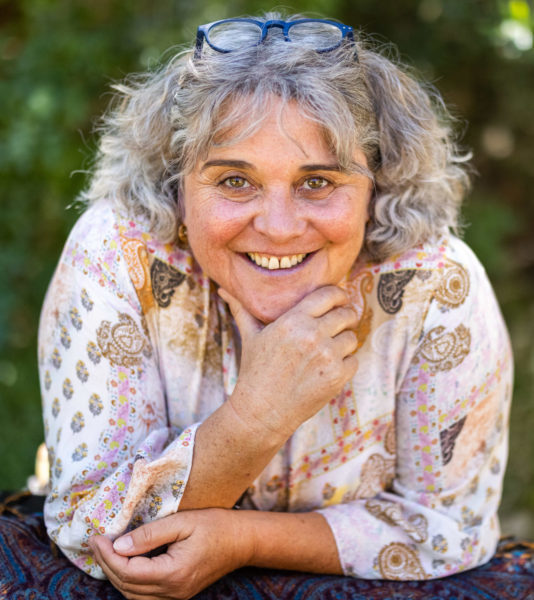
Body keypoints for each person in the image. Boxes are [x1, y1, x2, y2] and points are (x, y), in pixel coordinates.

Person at [38, 12, 513, 599]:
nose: (279, 227)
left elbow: (449, 528)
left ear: (378, 186)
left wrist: (244, 539)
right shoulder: (116, 252)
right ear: (175, 184)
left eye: (318, 183)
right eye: (235, 181)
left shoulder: (436, 285)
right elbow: (90, 530)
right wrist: (255, 416)